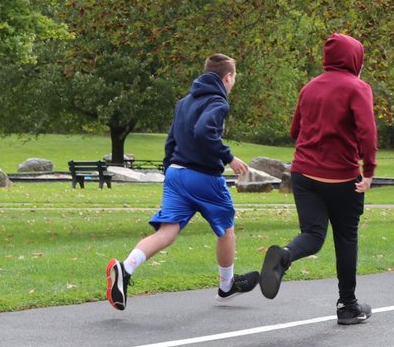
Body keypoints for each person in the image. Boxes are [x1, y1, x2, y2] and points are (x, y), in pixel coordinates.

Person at [106, 54, 256, 311]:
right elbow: (203, 131)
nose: (233, 83)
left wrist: (170, 173)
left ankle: (125, 268)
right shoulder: (218, 102)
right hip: (204, 176)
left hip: (176, 173)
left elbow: (171, 141)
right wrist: (229, 157)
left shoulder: (184, 102)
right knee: (226, 229)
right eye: (234, 78)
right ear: (227, 77)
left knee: (167, 231)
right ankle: (226, 285)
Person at [260, 33, 378, 325]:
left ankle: (285, 255)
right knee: (346, 238)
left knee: (313, 235)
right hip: (341, 178)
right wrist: (370, 169)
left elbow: (294, 130)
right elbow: (367, 132)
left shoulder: (309, 88)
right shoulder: (358, 87)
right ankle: (347, 305)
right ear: (354, 59)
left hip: (303, 174)